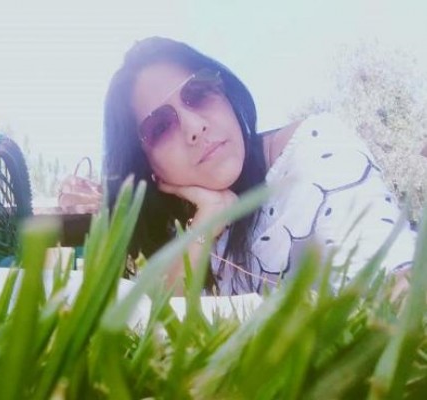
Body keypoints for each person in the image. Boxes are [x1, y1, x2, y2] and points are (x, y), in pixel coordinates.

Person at [102, 36, 417, 296]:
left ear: (226, 93)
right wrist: (207, 223)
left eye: (198, 93)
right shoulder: (176, 226)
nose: (194, 126)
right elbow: (155, 319)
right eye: (159, 127)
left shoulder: (316, 151)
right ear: (146, 164)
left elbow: (391, 274)